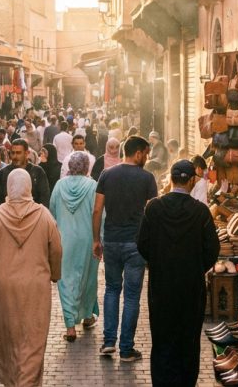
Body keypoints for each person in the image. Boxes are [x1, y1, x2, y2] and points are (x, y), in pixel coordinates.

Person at [0, 169, 62, 387]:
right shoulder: (44, 215)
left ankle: (12, 381)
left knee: (8, 339)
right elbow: (56, 250)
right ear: (29, 187)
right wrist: (55, 274)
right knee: (34, 340)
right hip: (36, 288)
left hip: (4, 289)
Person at [137, 160, 218, 386]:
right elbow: (212, 249)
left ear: (171, 179)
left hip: (161, 287)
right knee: (188, 340)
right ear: (192, 180)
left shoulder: (154, 208)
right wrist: (195, 267)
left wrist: (159, 262)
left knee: (162, 339)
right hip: (191, 287)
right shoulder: (200, 212)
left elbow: (142, 243)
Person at [92, 135, 157, 362]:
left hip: (110, 240)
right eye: (146, 154)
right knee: (131, 297)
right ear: (137, 153)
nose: (146, 158)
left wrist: (95, 240)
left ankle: (109, 342)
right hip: (135, 244)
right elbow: (151, 214)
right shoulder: (147, 178)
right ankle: (126, 349)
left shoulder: (106, 175)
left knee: (111, 290)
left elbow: (97, 210)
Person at [50, 152, 100, 342]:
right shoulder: (93, 186)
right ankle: (88, 316)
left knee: (66, 280)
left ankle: (70, 326)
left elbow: (52, 210)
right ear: (87, 166)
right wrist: (99, 238)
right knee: (88, 278)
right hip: (88, 239)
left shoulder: (59, 185)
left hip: (64, 240)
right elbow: (99, 213)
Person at [0, 139, 52, 209]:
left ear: (26, 153)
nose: (15, 156)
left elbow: (44, 199)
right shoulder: (4, 173)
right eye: (13, 153)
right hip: (9, 215)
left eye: (18, 153)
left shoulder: (37, 172)